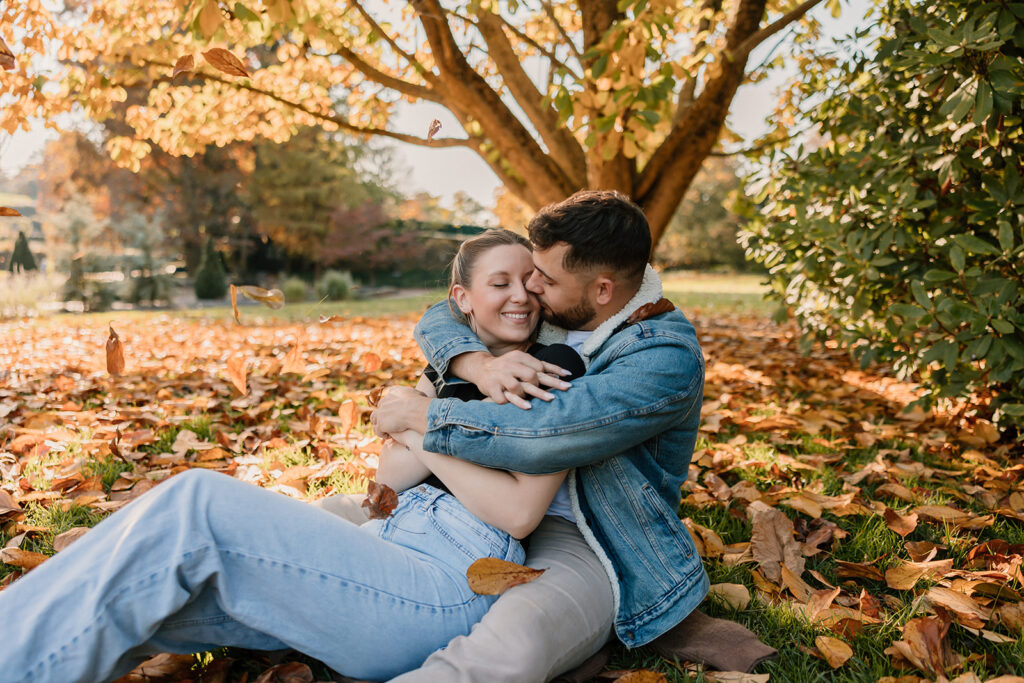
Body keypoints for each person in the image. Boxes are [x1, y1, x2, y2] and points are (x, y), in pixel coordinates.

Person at [0, 230, 584, 683]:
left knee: (197, 502)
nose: (520, 295)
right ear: (462, 298)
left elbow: (515, 513)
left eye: (529, 281)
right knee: (133, 594)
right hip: (388, 550)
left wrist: (425, 425)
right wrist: (435, 417)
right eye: (499, 282)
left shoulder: (555, 374)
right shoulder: (451, 371)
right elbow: (391, 476)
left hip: (448, 583)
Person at [371, 189, 709, 683]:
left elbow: (545, 432)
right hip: (474, 502)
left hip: (591, 536)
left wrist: (424, 413)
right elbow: (443, 312)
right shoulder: (558, 310)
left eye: (544, 279)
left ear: (601, 290)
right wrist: (478, 365)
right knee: (326, 527)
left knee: (516, 645)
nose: (529, 288)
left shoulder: (663, 358)